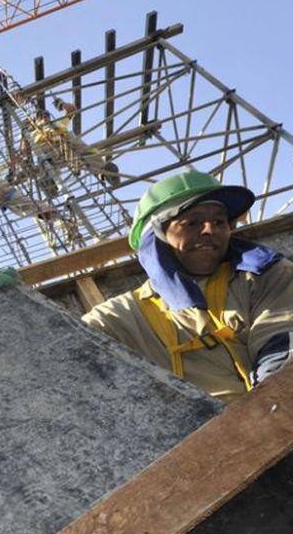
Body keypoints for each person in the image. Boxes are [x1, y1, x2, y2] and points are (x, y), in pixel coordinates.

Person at [81, 170, 293, 403]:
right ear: (156, 236)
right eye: (192, 223)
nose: (210, 230)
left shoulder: (265, 275)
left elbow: (282, 347)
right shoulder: (121, 317)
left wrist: (270, 412)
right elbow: (62, 348)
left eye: (219, 221)